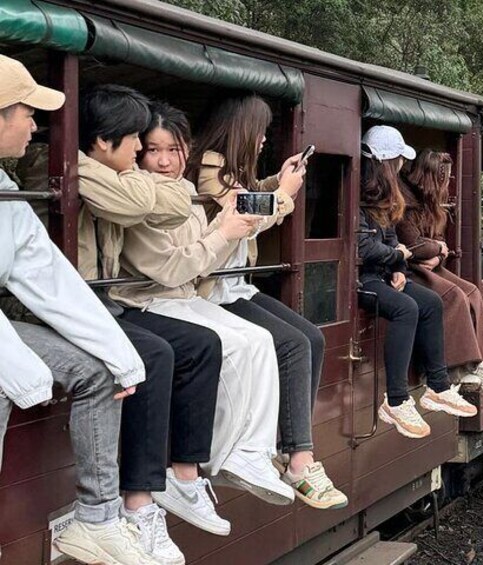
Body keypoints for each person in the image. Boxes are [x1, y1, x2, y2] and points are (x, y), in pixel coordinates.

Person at [0, 54, 157, 564]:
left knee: (96, 372)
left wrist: (119, 355)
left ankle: (96, 519)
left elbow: (50, 278)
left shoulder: (5, 192)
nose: (35, 125)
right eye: (26, 111)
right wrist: (20, 368)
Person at [114, 101, 297, 521]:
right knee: (223, 344)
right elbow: (174, 266)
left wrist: (228, 227)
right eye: (154, 150)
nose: (164, 160)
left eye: (174, 150)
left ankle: (251, 451)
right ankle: (212, 461)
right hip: (151, 297)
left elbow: (204, 255)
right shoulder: (152, 192)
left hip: (183, 293)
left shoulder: (187, 192)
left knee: (260, 339)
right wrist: (268, 206)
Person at [76, 84, 227, 563]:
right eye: (139, 145)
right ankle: (137, 501)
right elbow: (145, 206)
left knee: (202, 344)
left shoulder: (115, 174)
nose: (146, 153)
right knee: (154, 354)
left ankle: (184, 476)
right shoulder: (74, 168)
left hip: (100, 304)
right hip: (86, 305)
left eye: (164, 148)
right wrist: (153, 187)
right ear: (103, 142)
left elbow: (174, 204)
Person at [188, 94, 347, 509]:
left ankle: (288, 444)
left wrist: (278, 181)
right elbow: (239, 208)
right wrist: (286, 195)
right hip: (213, 289)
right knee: (292, 344)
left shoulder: (228, 169)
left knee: (311, 338)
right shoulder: (208, 164)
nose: (263, 140)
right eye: (260, 131)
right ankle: (299, 459)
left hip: (235, 284)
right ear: (242, 130)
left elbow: (246, 194)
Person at [358, 126, 477, 439]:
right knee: (406, 309)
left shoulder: (383, 193)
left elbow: (390, 238)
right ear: (387, 161)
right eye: (398, 160)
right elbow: (363, 247)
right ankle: (395, 400)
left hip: (382, 272)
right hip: (360, 279)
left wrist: (397, 263)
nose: (401, 166)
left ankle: (438, 386)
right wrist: (395, 255)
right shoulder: (360, 191)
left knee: (431, 302)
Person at [396, 149, 483, 394]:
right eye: (444, 178)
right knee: (453, 296)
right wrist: (437, 249)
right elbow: (414, 243)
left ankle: (482, 364)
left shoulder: (431, 204)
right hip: (408, 269)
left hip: (429, 265)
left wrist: (437, 253)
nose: (447, 184)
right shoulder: (406, 203)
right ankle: (457, 368)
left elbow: (432, 242)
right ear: (432, 178)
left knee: (472, 292)